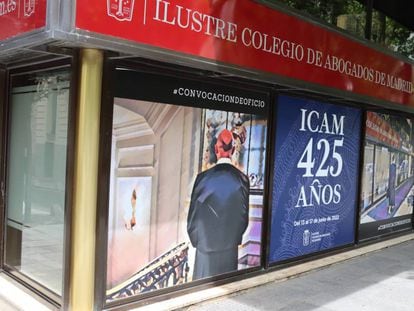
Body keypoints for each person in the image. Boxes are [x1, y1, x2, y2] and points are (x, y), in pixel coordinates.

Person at [187, 129, 250, 281]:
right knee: (226, 288)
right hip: (229, 251)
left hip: (205, 250)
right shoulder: (242, 180)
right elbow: (243, 219)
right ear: (233, 150)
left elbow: (193, 218)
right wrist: (234, 240)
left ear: (216, 149)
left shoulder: (203, 179)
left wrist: (198, 242)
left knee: (201, 291)